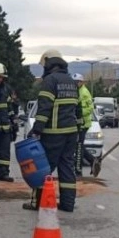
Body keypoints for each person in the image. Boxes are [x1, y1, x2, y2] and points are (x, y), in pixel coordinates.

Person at [24, 49, 82, 212]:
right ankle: (67, 204)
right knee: (67, 167)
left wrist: (36, 131)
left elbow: (44, 108)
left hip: (54, 133)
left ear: (48, 62)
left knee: (44, 168)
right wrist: (78, 130)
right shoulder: (71, 81)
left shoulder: (50, 81)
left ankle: (37, 202)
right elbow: (78, 109)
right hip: (71, 133)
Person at [72, 73, 96, 177]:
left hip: (83, 123)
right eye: (74, 82)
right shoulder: (75, 91)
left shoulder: (85, 93)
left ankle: (78, 170)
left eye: (78, 81)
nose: (76, 83)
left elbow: (90, 108)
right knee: (77, 145)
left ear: (82, 82)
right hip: (77, 123)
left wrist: (79, 112)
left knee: (79, 146)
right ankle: (92, 160)